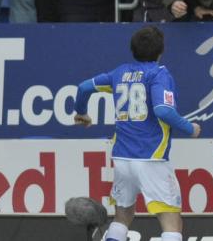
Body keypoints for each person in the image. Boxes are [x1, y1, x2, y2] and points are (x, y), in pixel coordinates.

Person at [73, 26, 201, 241]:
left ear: (132, 49)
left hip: (122, 157)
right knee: (171, 220)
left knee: (123, 215)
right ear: (161, 51)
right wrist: (190, 128)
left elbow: (84, 87)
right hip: (151, 157)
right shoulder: (159, 74)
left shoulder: (119, 73)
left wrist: (81, 113)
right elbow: (163, 110)